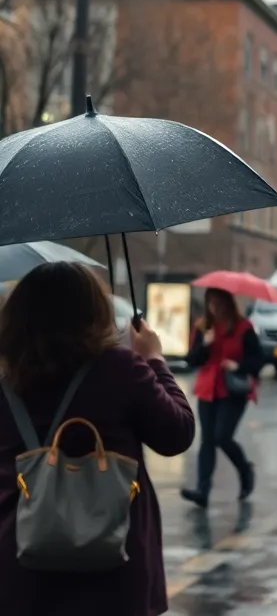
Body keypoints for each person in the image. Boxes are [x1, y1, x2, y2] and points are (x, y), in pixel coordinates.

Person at [0, 261, 196, 616]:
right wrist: (154, 360)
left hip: (16, 563)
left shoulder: (5, 375)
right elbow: (177, 433)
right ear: (94, 311)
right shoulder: (121, 369)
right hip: (112, 563)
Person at [180, 288, 264, 509]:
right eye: (210, 303)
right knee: (207, 440)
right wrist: (205, 345)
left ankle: (245, 470)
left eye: (218, 303)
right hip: (208, 388)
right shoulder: (202, 327)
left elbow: (258, 360)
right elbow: (192, 360)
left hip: (233, 389)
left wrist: (238, 365)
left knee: (222, 437)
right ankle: (202, 491)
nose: (214, 308)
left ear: (228, 303)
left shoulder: (244, 328)